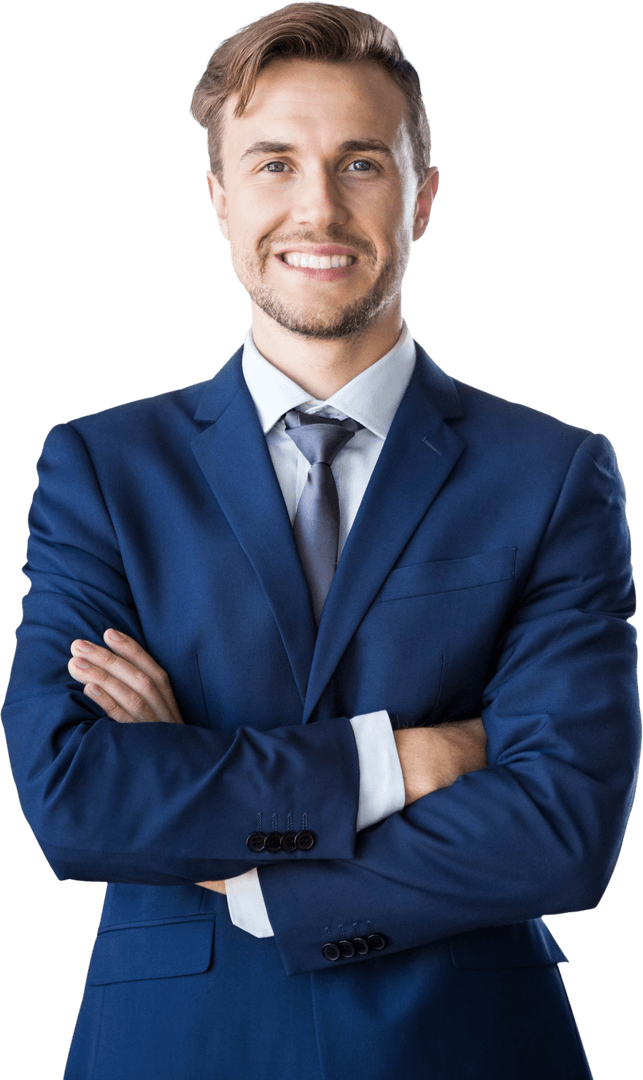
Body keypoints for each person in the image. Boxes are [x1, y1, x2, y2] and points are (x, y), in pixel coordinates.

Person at [1, 4, 639, 1078]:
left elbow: (563, 822)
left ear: (422, 197)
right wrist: (405, 757)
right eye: (272, 164)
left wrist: (246, 865)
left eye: (360, 164)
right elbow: (74, 794)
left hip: (464, 1047)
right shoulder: (103, 470)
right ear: (217, 200)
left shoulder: (552, 474)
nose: (317, 207)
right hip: (173, 1048)